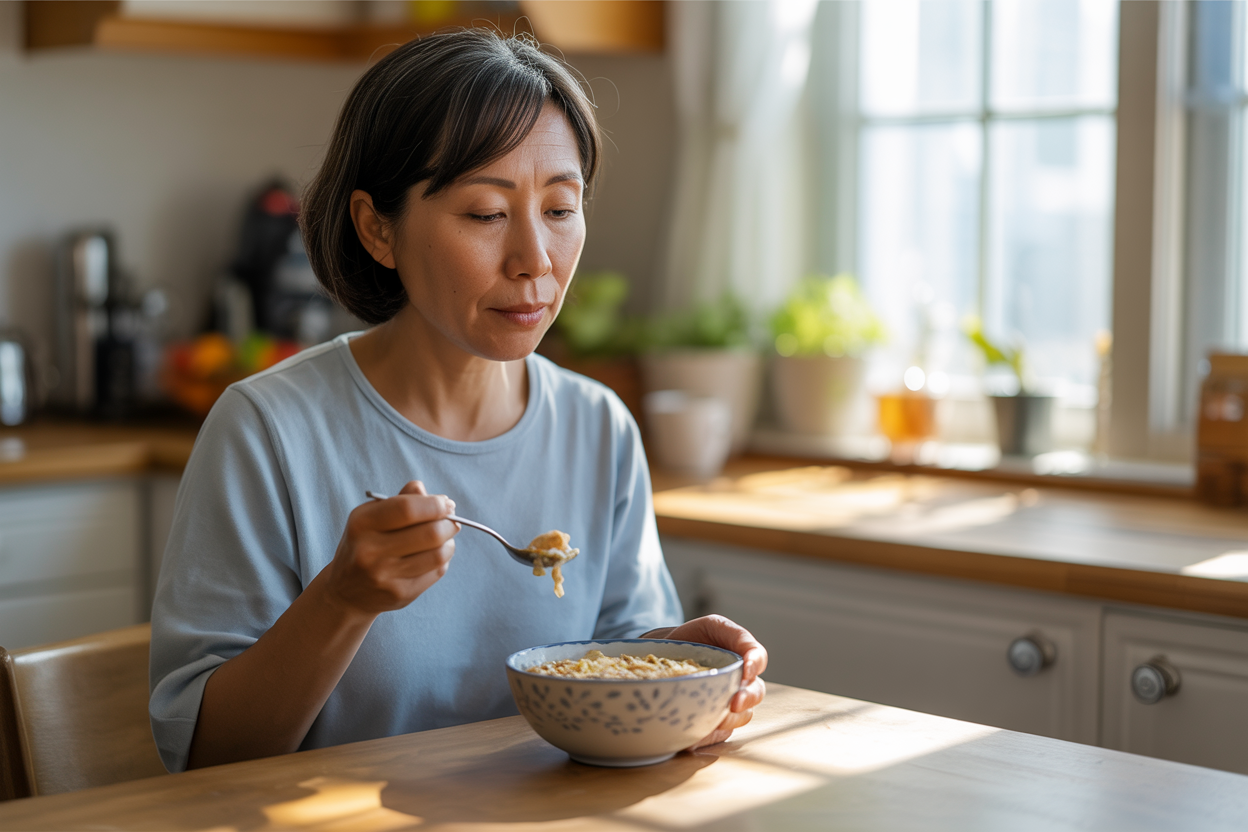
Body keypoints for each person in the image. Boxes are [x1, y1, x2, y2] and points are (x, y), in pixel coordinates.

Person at [149, 28, 767, 773]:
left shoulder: (596, 425)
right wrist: (341, 600)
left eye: (561, 209)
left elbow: (621, 659)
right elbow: (208, 756)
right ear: (378, 228)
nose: (535, 260)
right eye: (485, 213)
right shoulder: (267, 430)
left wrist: (686, 680)